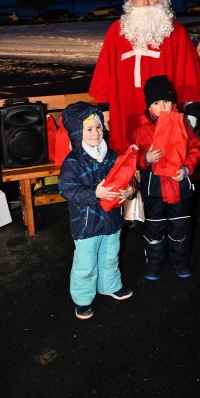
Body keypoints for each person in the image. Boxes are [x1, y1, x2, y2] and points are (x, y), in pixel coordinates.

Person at [89, 0, 200, 155]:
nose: (145, 3)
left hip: (164, 115)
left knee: (164, 165)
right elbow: (104, 75)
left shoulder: (175, 32)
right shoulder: (116, 32)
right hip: (124, 111)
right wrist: (105, 109)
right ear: (131, 1)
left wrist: (191, 112)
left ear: (161, 0)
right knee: (128, 165)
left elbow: (189, 75)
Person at [58, 101, 135, 320]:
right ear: (76, 133)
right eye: (88, 129)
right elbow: (67, 189)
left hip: (111, 221)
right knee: (85, 263)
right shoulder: (72, 163)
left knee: (110, 255)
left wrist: (129, 189)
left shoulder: (111, 156)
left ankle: (109, 285)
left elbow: (127, 176)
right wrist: (95, 193)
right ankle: (83, 299)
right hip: (86, 224)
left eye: (99, 127)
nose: (95, 133)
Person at [132, 75, 200, 281]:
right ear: (149, 107)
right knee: (154, 228)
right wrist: (145, 157)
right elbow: (132, 156)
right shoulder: (143, 130)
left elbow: (195, 151)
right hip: (154, 191)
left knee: (180, 226)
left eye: (166, 101)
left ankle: (180, 260)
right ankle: (154, 262)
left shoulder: (183, 125)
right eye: (156, 103)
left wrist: (187, 169)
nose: (162, 106)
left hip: (180, 188)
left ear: (174, 103)